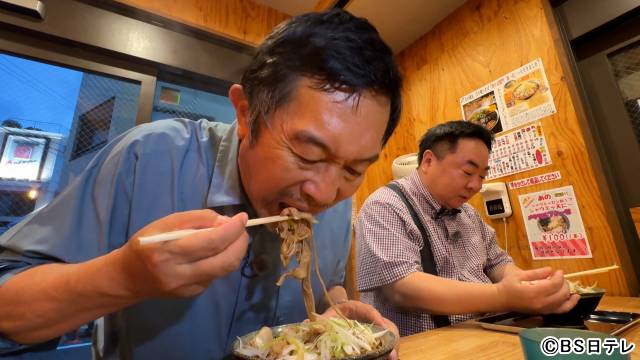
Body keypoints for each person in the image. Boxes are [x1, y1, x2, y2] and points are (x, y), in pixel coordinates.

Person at [0, 9, 402, 359]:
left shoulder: (336, 208)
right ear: (245, 114)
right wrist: (124, 278)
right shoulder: (152, 158)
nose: (324, 193)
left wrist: (337, 313)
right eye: (307, 155)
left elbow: (327, 282)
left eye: (353, 170)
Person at [355, 120, 579, 336]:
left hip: (482, 334)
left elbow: (497, 262)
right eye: (468, 172)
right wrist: (502, 296)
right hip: (421, 346)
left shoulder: (468, 213)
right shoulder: (385, 205)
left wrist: (527, 285)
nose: (476, 185)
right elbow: (403, 289)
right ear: (428, 162)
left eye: (482, 175)